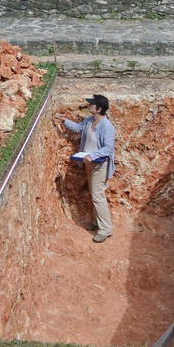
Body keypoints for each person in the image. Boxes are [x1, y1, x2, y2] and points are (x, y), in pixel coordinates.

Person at [54, 94, 115, 243]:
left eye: (92, 105)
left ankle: (106, 229)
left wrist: (93, 156)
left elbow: (108, 148)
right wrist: (64, 121)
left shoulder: (107, 127)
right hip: (90, 164)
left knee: (98, 196)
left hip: (99, 165)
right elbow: (78, 128)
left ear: (99, 108)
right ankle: (98, 223)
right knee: (95, 195)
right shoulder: (89, 121)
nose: (89, 106)